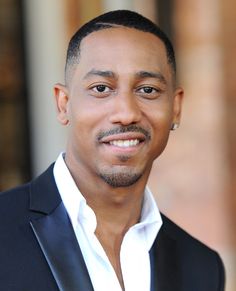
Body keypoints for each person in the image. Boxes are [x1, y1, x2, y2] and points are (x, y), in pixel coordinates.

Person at [0, 10, 225, 291]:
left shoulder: (202, 268)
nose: (126, 113)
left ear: (176, 108)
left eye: (148, 90)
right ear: (63, 104)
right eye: (101, 88)